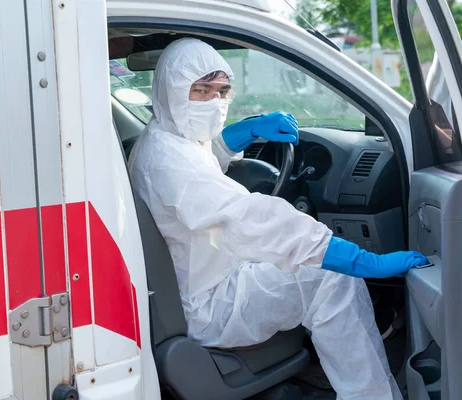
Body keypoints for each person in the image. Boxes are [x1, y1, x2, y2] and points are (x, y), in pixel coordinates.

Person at [127, 38, 428, 399]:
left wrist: (244, 132)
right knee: (332, 278)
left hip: (199, 279)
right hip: (209, 305)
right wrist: (361, 260)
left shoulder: (160, 139)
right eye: (201, 90)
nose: (215, 103)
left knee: (305, 263)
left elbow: (201, 167)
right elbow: (248, 217)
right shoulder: (170, 162)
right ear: (170, 90)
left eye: (222, 91)